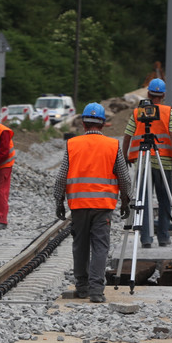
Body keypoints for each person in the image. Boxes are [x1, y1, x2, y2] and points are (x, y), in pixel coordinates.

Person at [54, 103, 134, 303]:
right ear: (104, 124)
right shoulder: (113, 145)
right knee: (100, 246)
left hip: (79, 205)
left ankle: (82, 287)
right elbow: (124, 178)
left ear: (83, 123)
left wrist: (58, 201)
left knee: (80, 245)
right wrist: (125, 200)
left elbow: (61, 177)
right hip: (103, 205)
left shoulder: (73, 144)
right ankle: (97, 291)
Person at [122, 78, 172, 248]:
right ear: (163, 95)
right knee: (164, 199)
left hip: (142, 161)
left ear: (148, 94)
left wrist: (125, 157)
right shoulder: (169, 112)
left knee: (143, 200)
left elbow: (127, 136)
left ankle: (146, 239)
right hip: (164, 161)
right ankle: (163, 237)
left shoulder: (137, 112)